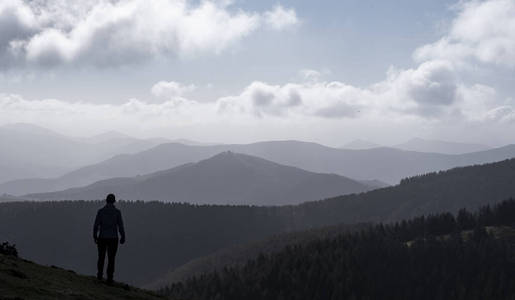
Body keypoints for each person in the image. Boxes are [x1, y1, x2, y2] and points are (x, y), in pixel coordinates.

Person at [93, 193, 126, 284]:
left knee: (101, 257)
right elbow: (120, 226)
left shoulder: (100, 211)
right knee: (111, 258)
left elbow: (96, 225)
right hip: (113, 238)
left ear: (106, 200)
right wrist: (123, 236)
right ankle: (109, 277)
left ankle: (100, 275)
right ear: (114, 201)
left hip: (102, 237)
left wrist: (95, 236)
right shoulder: (117, 212)